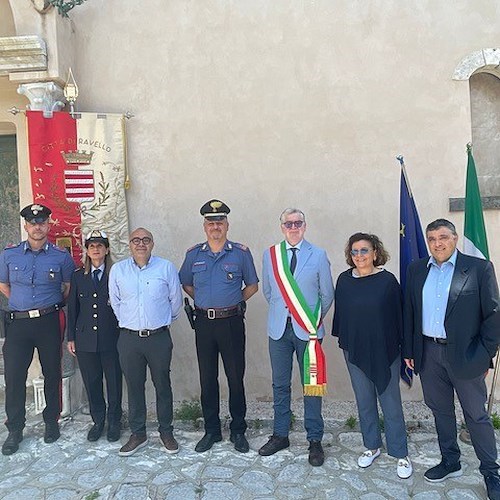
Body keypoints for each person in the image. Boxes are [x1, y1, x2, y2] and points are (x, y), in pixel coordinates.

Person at [403, 219, 500, 499]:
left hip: (467, 354)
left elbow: (493, 315)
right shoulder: (417, 269)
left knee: (476, 416)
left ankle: (491, 473)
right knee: (441, 411)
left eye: (443, 237)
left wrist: (484, 356)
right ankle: (450, 461)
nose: (437, 243)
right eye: (431, 238)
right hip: (429, 353)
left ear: (455, 238)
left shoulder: (479, 268)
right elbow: (410, 311)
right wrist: (410, 350)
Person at [179, 199, 259, 453]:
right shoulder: (194, 254)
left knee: (235, 378)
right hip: (203, 323)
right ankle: (212, 431)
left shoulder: (240, 253)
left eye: (220, 221)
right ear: (204, 226)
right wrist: (205, 303)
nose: (216, 226)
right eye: (211, 222)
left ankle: (238, 431)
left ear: (227, 224)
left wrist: (232, 302)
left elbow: (252, 286)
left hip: (232, 323)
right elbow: (187, 285)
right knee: (207, 379)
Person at [332, 232, 412, 478]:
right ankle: (372, 446)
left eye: (364, 251)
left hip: (385, 351)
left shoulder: (388, 281)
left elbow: (400, 317)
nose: (359, 256)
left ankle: (400, 453)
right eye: (354, 252)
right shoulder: (344, 280)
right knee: (364, 400)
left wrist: (404, 349)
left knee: (390, 403)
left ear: (375, 253)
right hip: (355, 350)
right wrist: (346, 344)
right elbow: (342, 315)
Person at [259, 208, 334, 466]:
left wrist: (310, 320)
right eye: (288, 223)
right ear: (282, 227)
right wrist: (286, 311)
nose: (293, 227)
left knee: (311, 386)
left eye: (298, 223)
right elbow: (268, 292)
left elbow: (327, 294)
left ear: (305, 226)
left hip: (308, 331)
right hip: (279, 329)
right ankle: (280, 435)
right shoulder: (271, 255)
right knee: (280, 385)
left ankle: (314, 439)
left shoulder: (319, 255)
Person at [0, 204, 76, 455]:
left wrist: (42, 307)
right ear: (26, 226)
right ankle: (15, 428)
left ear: (48, 225)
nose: (37, 227)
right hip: (18, 323)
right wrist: (24, 306)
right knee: (14, 376)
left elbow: (66, 289)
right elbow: (4, 285)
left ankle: (51, 422)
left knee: (52, 372)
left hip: (48, 321)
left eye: (42, 222)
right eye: (33, 223)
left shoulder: (61, 256)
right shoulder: (9, 255)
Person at [108, 227, 182, 456]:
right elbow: (116, 302)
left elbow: (175, 301)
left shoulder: (166, 267)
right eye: (136, 240)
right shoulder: (119, 270)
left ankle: (166, 432)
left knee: (163, 384)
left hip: (158, 337)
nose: (141, 244)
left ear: (152, 243)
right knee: (134, 386)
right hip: (129, 339)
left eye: (146, 240)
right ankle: (138, 433)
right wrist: (131, 323)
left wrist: (159, 322)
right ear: (129, 244)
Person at [67, 230, 123, 442]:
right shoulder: (78, 276)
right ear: (87, 251)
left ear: (107, 249)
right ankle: (98, 420)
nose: (96, 249)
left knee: (114, 382)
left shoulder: (116, 274)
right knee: (92, 382)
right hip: (85, 340)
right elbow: (73, 309)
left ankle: (115, 421)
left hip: (112, 338)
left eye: (100, 245)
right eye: (92, 246)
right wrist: (71, 338)